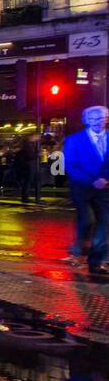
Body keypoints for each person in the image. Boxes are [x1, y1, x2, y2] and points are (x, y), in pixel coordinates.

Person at [63, 105, 109, 275]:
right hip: (81, 188)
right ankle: (79, 247)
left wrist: (105, 179)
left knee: (104, 224)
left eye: (100, 118)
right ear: (86, 120)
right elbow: (71, 166)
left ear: (107, 119)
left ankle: (97, 261)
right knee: (88, 219)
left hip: (105, 189)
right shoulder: (74, 140)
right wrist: (93, 180)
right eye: (92, 119)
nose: (96, 122)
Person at [16, 134, 42, 204]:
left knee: (28, 181)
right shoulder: (28, 145)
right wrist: (37, 155)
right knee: (28, 181)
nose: (38, 138)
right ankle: (25, 197)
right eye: (36, 136)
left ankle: (26, 197)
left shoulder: (30, 144)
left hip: (29, 165)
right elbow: (30, 155)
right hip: (29, 165)